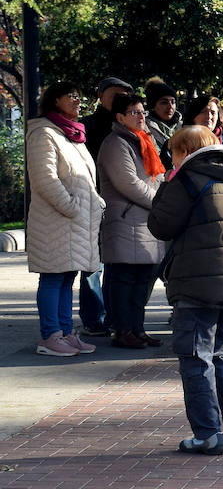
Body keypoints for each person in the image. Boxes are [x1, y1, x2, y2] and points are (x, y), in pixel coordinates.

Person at [147, 126, 223, 456]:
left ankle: (207, 434)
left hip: (199, 283)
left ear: (183, 151)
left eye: (173, 152)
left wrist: (165, 186)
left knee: (196, 356)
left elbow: (160, 225)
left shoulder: (186, 179)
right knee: (222, 351)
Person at [26, 81, 104, 357]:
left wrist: (94, 202)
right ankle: (50, 336)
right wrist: (72, 207)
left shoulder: (70, 134)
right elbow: (45, 178)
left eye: (79, 96)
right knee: (52, 277)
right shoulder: (43, 133)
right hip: (55, 221)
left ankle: (66, 332)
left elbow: (84, 178)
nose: (77, 101)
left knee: (66, 277)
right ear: (54, 100)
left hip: (75, 222)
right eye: (71, 96)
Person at [97, 94, 168, 349]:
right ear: (120, 117)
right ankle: (122, 330)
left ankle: (137, 329)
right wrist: (159, 202)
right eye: (134, 112)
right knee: (124, 280)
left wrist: (161, 197)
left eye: (142, 112)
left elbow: (156, 177)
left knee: (141, 282)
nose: (141, 116)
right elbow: (128, 183)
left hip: (145, 222)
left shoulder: (144, 141)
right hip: (126, 220)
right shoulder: (116, 142)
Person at [77, 77, 132, 337]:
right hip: (92, 200)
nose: (120, 98)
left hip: (121, 204)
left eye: (124, 94)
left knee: (116, 263)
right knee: (92, 264)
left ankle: (115, 316)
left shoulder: (129, 125)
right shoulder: (86, 126)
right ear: (100, 95)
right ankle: (93, 318)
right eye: (115, 94)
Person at [144, 79, 180, 170]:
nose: (170, 106)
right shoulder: (144, 127)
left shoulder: (183, 127)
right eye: (164, 102)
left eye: (173, 102)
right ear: (153, 106)